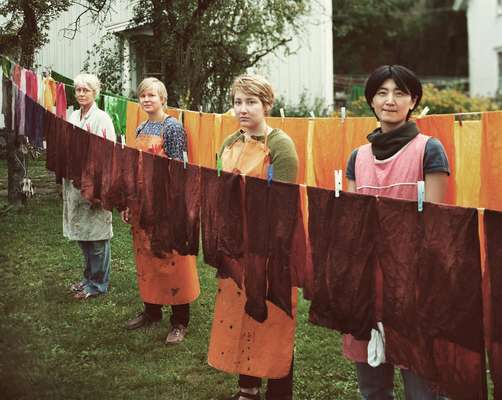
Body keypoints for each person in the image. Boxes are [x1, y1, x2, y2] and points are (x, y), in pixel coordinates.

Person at [344, 65, 450, 399]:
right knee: (372, 386)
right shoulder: (356, 158)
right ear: (371, 101)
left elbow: (435, 226)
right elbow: (351, 224)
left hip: (414, 283)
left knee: (422, 385)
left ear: (413, 100)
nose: (390, 100)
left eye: (400, 93)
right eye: (382, 92)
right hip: (367, 283)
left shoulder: (429, 150)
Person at [207, 74, 299, 400]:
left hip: (271, 248)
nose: (243, 109)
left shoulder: (280, 145)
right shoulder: (229, 142)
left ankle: (279, 392)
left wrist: (272, 248)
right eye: (238, 102)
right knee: (243, 315)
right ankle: (247, 388)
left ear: (266, 105)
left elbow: (286, 206)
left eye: (251, 102)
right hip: (237, 247)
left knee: (273, 319)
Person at [121, 77, 200, 344]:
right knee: (147, 260)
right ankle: (151, 311)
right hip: (143, 204)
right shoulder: (141, 126)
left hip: (167, 204)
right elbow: (135, 168)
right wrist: (129, 203)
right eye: (142, 95)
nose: (146, 100)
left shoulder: (173, 127)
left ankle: (179, 321)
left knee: (173, 262)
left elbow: (178, 171)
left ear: (162, 99)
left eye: (151, 95)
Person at [65, 73, 116, 300]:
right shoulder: (73, 115)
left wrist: (100, 185)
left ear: (95, 92)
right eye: (78, 90)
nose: (81, 94)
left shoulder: (102, 118)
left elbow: (108, 152)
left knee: (97, 236)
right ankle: (88, 278)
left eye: (86, 90)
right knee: (83, 234)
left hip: (95, 181)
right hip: (76, 182)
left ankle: (99, 284)